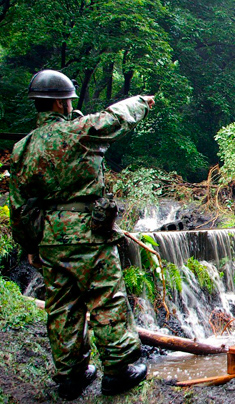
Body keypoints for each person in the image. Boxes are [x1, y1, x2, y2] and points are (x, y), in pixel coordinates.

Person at [8, 70, 154, 399]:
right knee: (105, 299)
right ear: (60, 102)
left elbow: (17, 208)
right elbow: (115, 119)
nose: (72, 104)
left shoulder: (22, 149)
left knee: (62, 307)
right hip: (88, 233)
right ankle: (118, 370)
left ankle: (71, 377)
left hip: (50, 237)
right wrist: (142, 102)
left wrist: (30, 244)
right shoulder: (78, 131)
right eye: (70, 100)